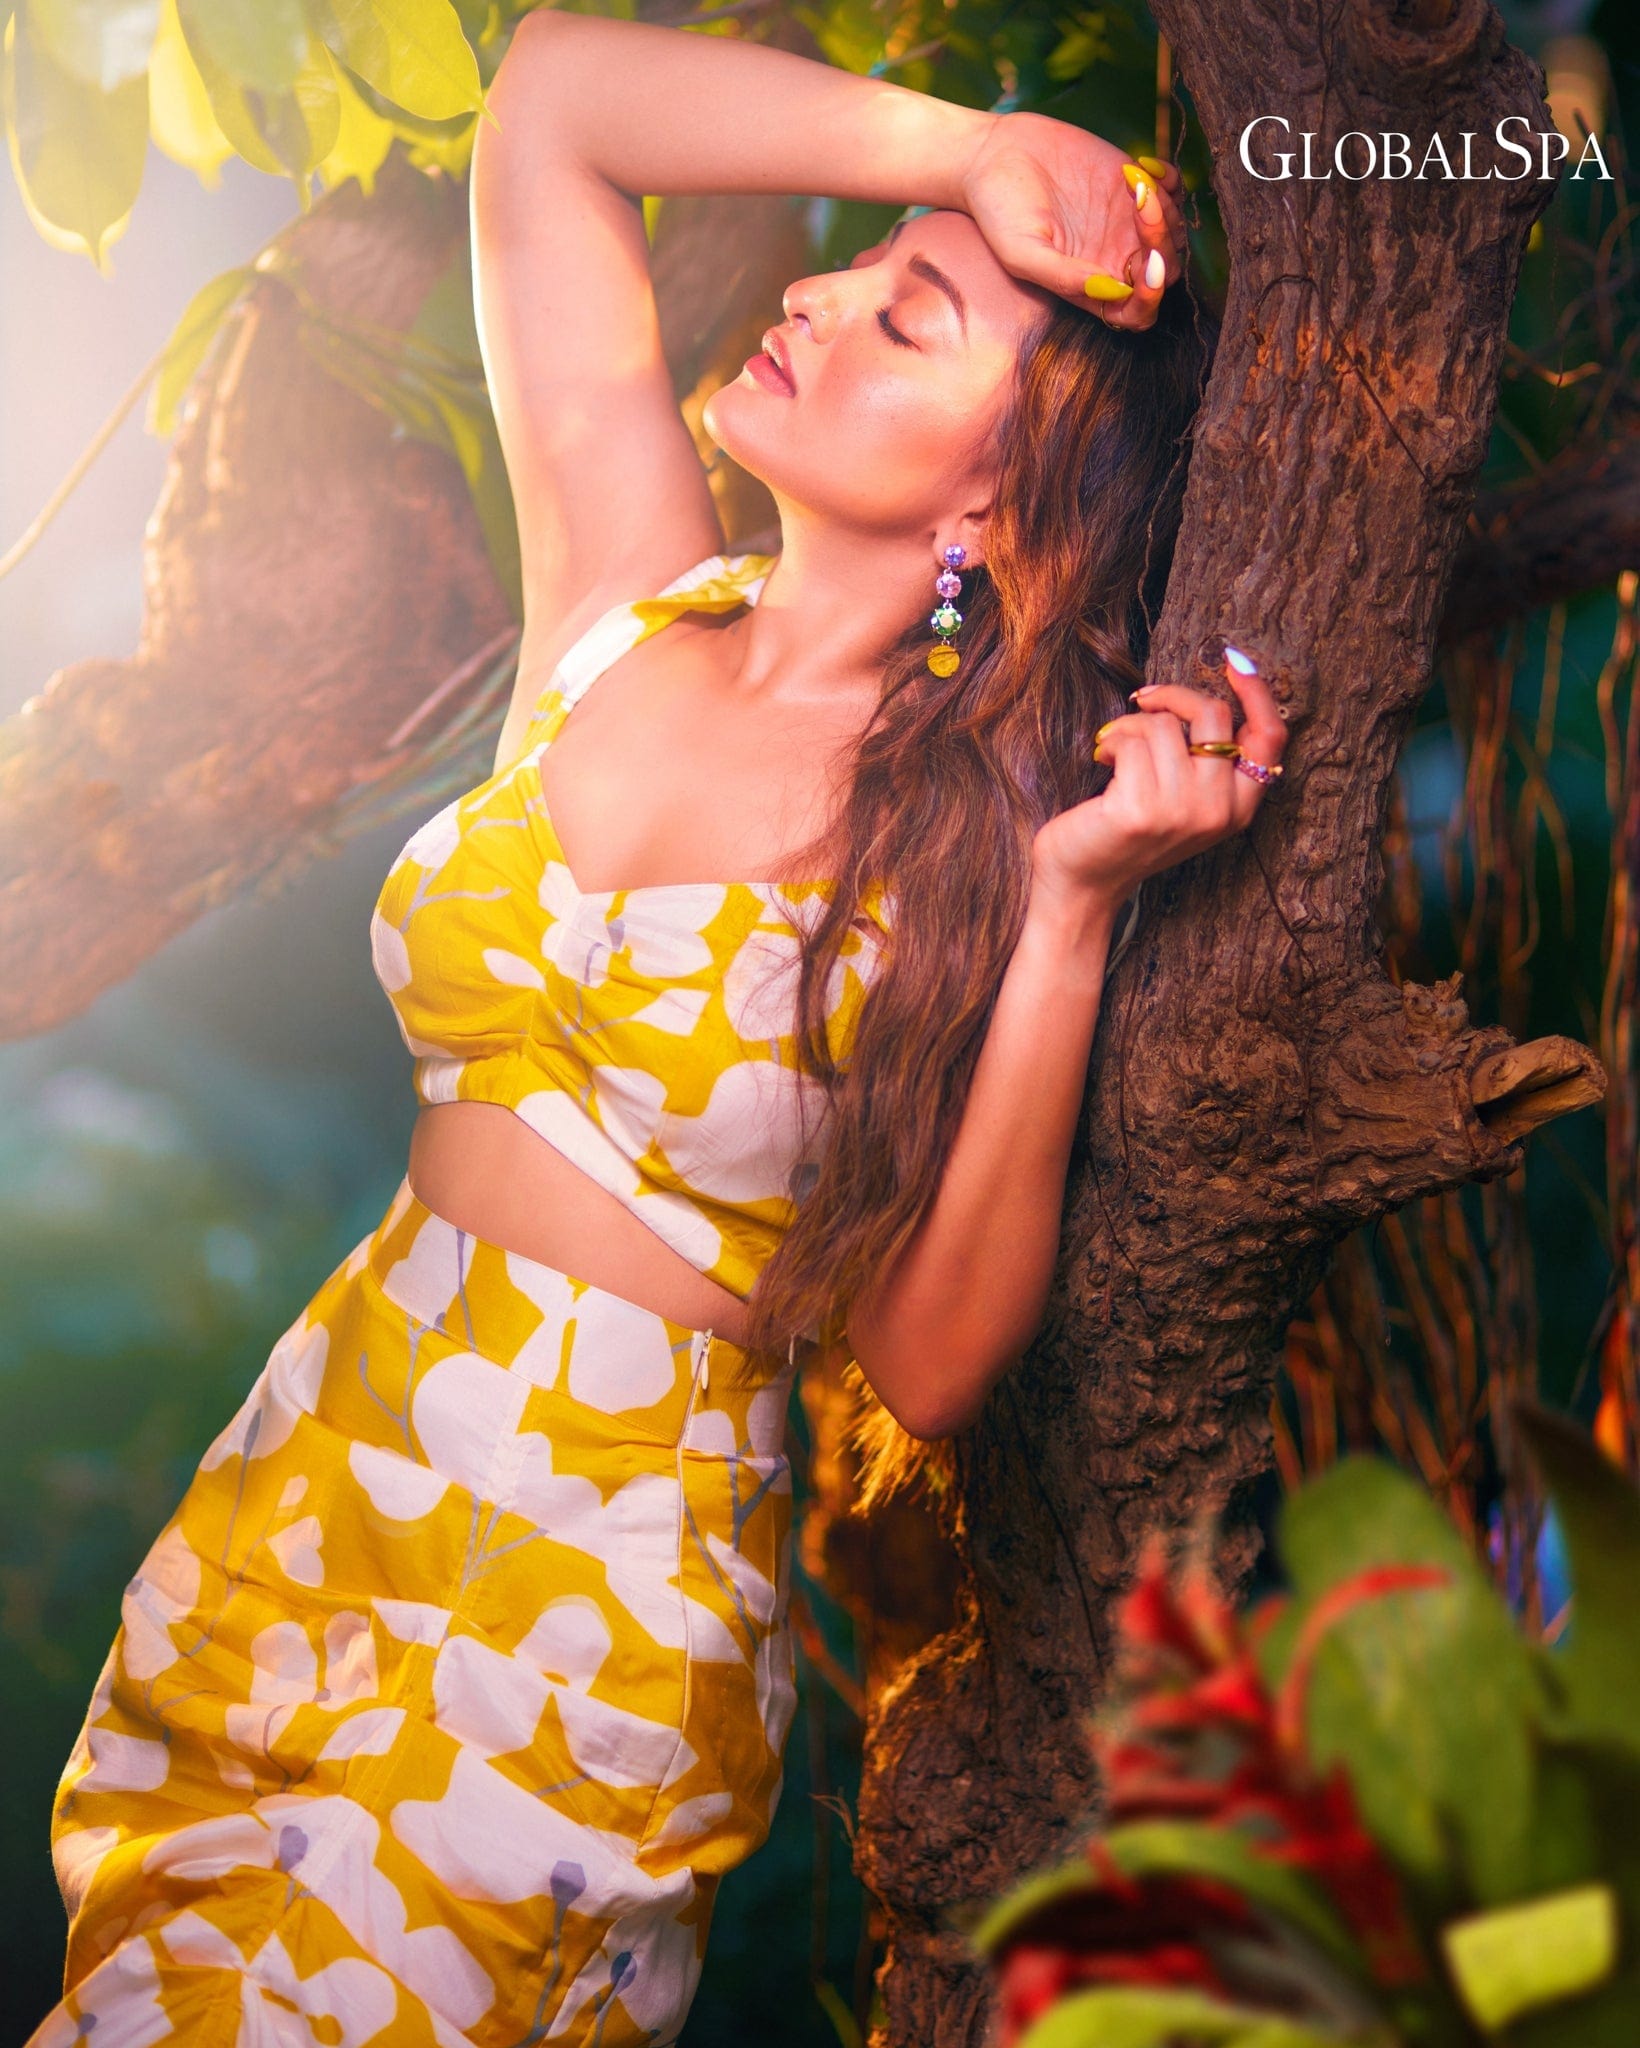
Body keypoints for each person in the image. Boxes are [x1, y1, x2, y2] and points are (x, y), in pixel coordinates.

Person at [31, 12, 1286, 2046]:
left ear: (996, 494)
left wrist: (1064, 924)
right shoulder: (622, 602)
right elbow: (550, 106)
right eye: (860, 262)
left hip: (577, 1601)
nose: (819, 292)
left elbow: (930, 1358)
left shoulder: (958, 848)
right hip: (319, 1488)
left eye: (913, 316)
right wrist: (961, 150)